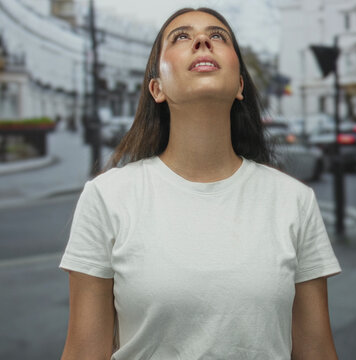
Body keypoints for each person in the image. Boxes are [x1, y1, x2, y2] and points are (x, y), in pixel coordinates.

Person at [60, 8, 341, 359]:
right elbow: (84, 352)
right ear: (157, 88)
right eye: (180, 36)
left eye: (218, 36)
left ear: (240, 85)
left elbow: (316, 351)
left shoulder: (294, 200)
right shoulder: (106, 197)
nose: (203, 41)